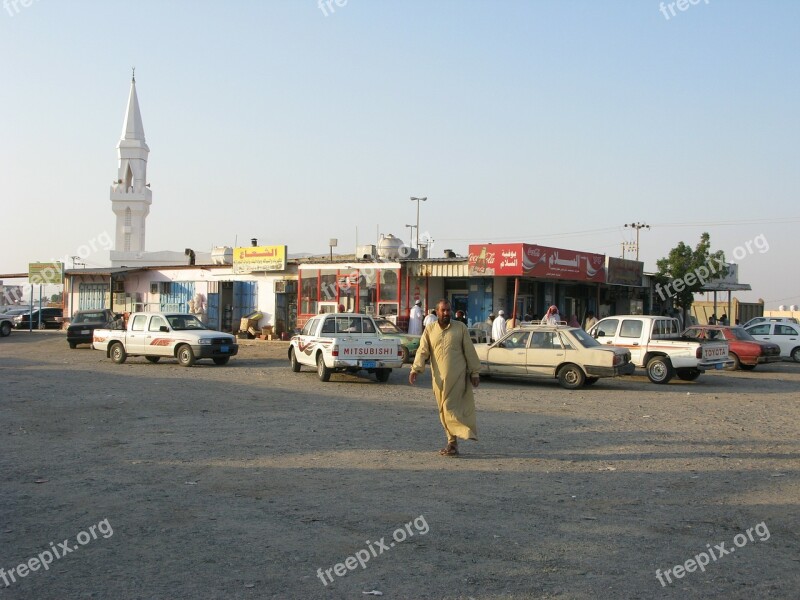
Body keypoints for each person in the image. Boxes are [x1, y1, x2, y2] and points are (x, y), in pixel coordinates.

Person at [409, 299, 481, 457]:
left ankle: (456, 440)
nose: (447, 313)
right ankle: (452, 440)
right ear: (437, 312)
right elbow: (422, 351)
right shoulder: (430, 329)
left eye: (449, 310)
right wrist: (415, 369)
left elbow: (469, 350)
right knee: (442, 410)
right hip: (438, 380)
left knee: (448, 408)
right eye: (443, 310)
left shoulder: (460, 328)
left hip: (457, 378)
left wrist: (474, 372)